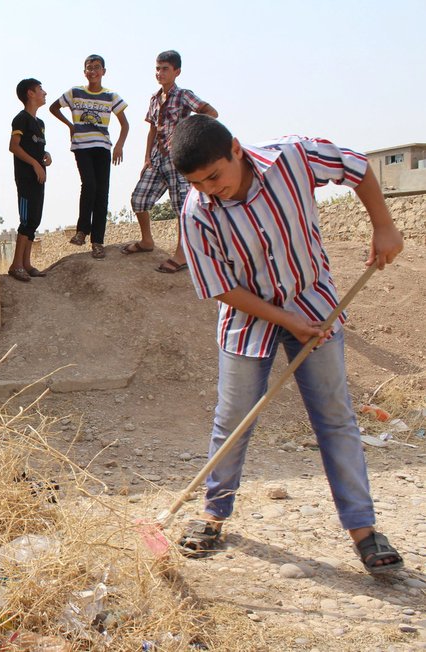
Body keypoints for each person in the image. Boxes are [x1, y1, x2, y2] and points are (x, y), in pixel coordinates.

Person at [170, 114, 405, 574]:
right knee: (233, 420)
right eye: (199, 184)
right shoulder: (196, 212)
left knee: (335, 417)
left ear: (236, 148)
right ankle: (213, 515)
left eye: (215, 176)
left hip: (315, 304)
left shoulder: (293, 156)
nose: (211, 189)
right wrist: (285, 320)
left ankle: (364, 531)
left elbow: (356, 167)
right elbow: (219, 286)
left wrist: (384, 226)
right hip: (246, 320)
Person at [123, 50, 218, 274]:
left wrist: (188, 133)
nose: (160, 73)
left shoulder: (184, 95)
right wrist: (147, 157)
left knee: (182, 208)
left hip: (179, 159)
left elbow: (211, 113)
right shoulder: (155, 98)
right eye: (157, 68)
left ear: (177, 71)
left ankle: (181, 255)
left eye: (165, 68)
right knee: (139, 199)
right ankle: (147, 241)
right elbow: (152, 129)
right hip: (158, 158)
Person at [49, 54, 128, 260]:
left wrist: (119, 145)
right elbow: (53, 107)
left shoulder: (111, 96)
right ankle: (82, 230)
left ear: (103, 71)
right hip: (82, 146)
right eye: (89, 68)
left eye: (96, 67)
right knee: (90, 185)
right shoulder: (75, 92)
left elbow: (125, 124)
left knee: (102, 192)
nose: (92, 71)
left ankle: (98, 242)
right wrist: (70, 125)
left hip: (103, 146)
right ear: (84, 72)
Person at [7, 78, 52, 282]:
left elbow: (35, 147)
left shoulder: (40, 124)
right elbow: (14, 146)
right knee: (26, 221)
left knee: (34, 219)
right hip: (26, 177)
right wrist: (34, 164)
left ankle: (26, 263)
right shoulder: (21, 119)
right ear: (30, 93)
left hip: (38, 178)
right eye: (40, 89)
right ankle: (16, 265)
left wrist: (45, 156)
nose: (44, 93)